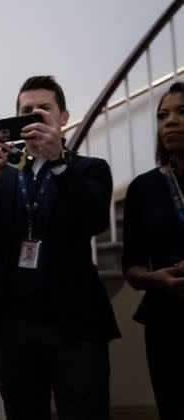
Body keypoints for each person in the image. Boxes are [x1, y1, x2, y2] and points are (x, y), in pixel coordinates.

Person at [0, 75, 120, 420]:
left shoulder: (89, 169)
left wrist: (60, 161)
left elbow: (94, 221)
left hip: (75, 327)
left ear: (63, 117)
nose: (33, 115)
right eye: (25, 110)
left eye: (43, 109)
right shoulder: (4, 174)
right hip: (12, 327)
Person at [122, 81, 184, 420]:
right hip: (166, 323)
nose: (170, 121)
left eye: (181, 112)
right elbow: (130, 267)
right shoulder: (143, 188)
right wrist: (155, 278)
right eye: (162, 115)